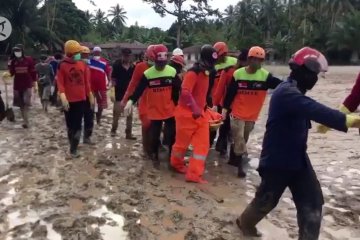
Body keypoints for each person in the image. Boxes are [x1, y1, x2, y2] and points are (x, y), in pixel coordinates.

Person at [236, 47, 360, 239]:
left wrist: (338, 118)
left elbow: (310, 109)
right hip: (277, 160)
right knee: (266, 201)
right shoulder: (286, 92)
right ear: (301, 70)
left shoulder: (295, 91)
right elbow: (314, 109)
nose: (315, 79)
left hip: (299, 159)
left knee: (313, 203)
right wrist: (346, 120)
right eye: (313, 74)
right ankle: (244, 223)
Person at [222, 46, 282, 178]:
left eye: (260, 60)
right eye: (255, 60)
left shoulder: (265, 76)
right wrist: (224, 109)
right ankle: (240, 166)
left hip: (252, 115)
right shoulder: (238, 74)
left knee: (243, 138)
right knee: (239, 137)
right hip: (237, 113)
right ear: (249, 59)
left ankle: (235, 158)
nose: (257, 63)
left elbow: (281, 86)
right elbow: (230, 94)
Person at [124, 44, 181, 168]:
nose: (161, 65)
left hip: (169, 109)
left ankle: (171, 157)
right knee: (154, 137)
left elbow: (180, 89)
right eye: (159, 62)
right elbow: (138, 89)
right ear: (154, 60)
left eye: (163, 62)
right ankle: (154, 157)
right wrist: (130, 101)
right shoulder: (148, 74)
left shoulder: (171, 71)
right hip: (154, 111)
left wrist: (180, 104)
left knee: (171, 135)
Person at [170, 45, 218, 184]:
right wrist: (195, 108)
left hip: (201, 114)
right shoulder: (193, 72)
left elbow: (203, 93)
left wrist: (207, 108)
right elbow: (185, 92)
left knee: (203, 145)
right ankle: (176, 164)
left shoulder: (207, 73)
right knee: (181, 144)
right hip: (186, 114)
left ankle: (194, 174)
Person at [57, 40, 94, 158]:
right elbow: (60, 83)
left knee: (78, 124)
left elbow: (86, 82)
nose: (79, 54)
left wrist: (90, 96)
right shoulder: (62, 65)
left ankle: (73, 149)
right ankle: (71, 142)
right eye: (77, 52)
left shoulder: (82, 64)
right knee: (70, 125)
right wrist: (63, 96)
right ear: (70, 53)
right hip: (68, 101)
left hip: (81, 99)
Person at [213, 49, 249, 164]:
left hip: (242, 106)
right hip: (227, 105)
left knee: (237, 132)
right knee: (225, 128)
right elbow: (219, 89)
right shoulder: (228, 71)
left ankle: (233, 155)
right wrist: (215, 104)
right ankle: (223, 150)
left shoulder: (251, 74)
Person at [120, 45, 156, 155]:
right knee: (146, 124)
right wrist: (126, 100)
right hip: (144, 99)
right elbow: (133, 84)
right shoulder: (140, 67)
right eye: (151, 60)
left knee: (156, 126)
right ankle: (146, 150)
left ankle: (154, 148)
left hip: (159, 101)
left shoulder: (164, 67)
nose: (153, 63)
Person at [211, 41, 238, 154]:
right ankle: (214, 144)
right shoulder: (213, 64)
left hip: (227, 98)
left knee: (225, 125)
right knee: (214, 124)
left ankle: (221, 146)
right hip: (217, 98)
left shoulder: (233, 63)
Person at [8, 44, 36, 128]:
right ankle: (25, 121)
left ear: (22, 51)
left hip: (27, 84)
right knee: (21, 104)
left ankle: (26, 120)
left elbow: (33, 71)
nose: (17, 52)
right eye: (15, 51)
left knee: (26, 102)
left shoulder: (29, 59)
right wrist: (9, 66)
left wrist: (35, 82)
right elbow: (11, 73)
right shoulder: (13, 61)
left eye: (18, 50)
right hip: (17, 85)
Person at [110, 48, 136, 139]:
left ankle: (128, 134)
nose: (127, 58)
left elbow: (135, 80)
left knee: (129, 116)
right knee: (116, 114)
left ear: (130, 56)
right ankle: (113, 130)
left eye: (128, 56)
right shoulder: (116, 65)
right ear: (122, 55)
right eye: (125, 56)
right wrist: (112, 91)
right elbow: (113, 78)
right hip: (118, 93)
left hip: (129, 94)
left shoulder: (133, 67)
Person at [89, 46, 111, 125]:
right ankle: (90, 119)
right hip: (90, 86)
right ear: (93, 52)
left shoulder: (104, 62)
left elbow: (108, 73)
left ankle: (98, 119)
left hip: (101, 86)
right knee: (90, 103)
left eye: (98, 52)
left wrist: (109, 82)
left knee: (101, 104)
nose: (97, 53)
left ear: (100, 52)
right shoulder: (89, 61)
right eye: (95, 51)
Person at [80, 46, 95, 145]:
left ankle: (87, 137)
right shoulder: (75, 65)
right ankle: (74, 137)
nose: (85, 56)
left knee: (89, 116)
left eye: (87, 55)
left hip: (90, 94)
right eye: (83, 54)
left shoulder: (92, 65)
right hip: (78, 95)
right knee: (76, 118)